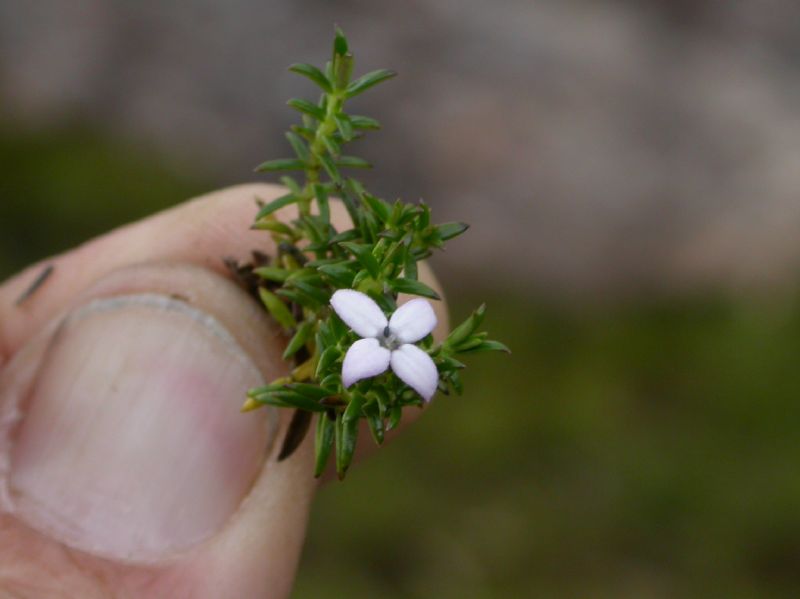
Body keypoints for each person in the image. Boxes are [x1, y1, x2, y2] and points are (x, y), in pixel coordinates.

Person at [0, 184, 447, 598]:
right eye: (387, 341)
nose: (390, 342)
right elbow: (349, 323)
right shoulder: (359, 319)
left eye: (393, 342)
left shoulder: (390, 333)